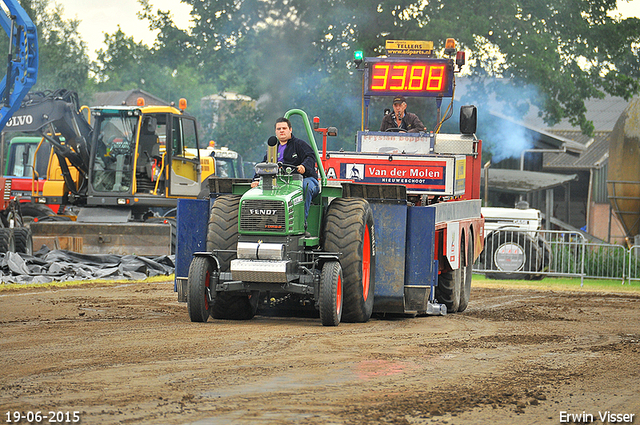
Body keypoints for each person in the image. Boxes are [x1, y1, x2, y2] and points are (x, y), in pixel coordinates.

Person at [251, 117, 320, 227]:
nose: (281, 131)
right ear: (275, 132)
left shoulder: (299, 144)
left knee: (305, 186)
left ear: (290, 130)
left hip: (304, 179)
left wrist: (304, 166)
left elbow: (311, 157)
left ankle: (301, 223)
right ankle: (265, 223)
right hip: (281, 182)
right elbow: (264, 165)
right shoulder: (272, 149)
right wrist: (256, 180)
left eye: (284, 128)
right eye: (279, 129)